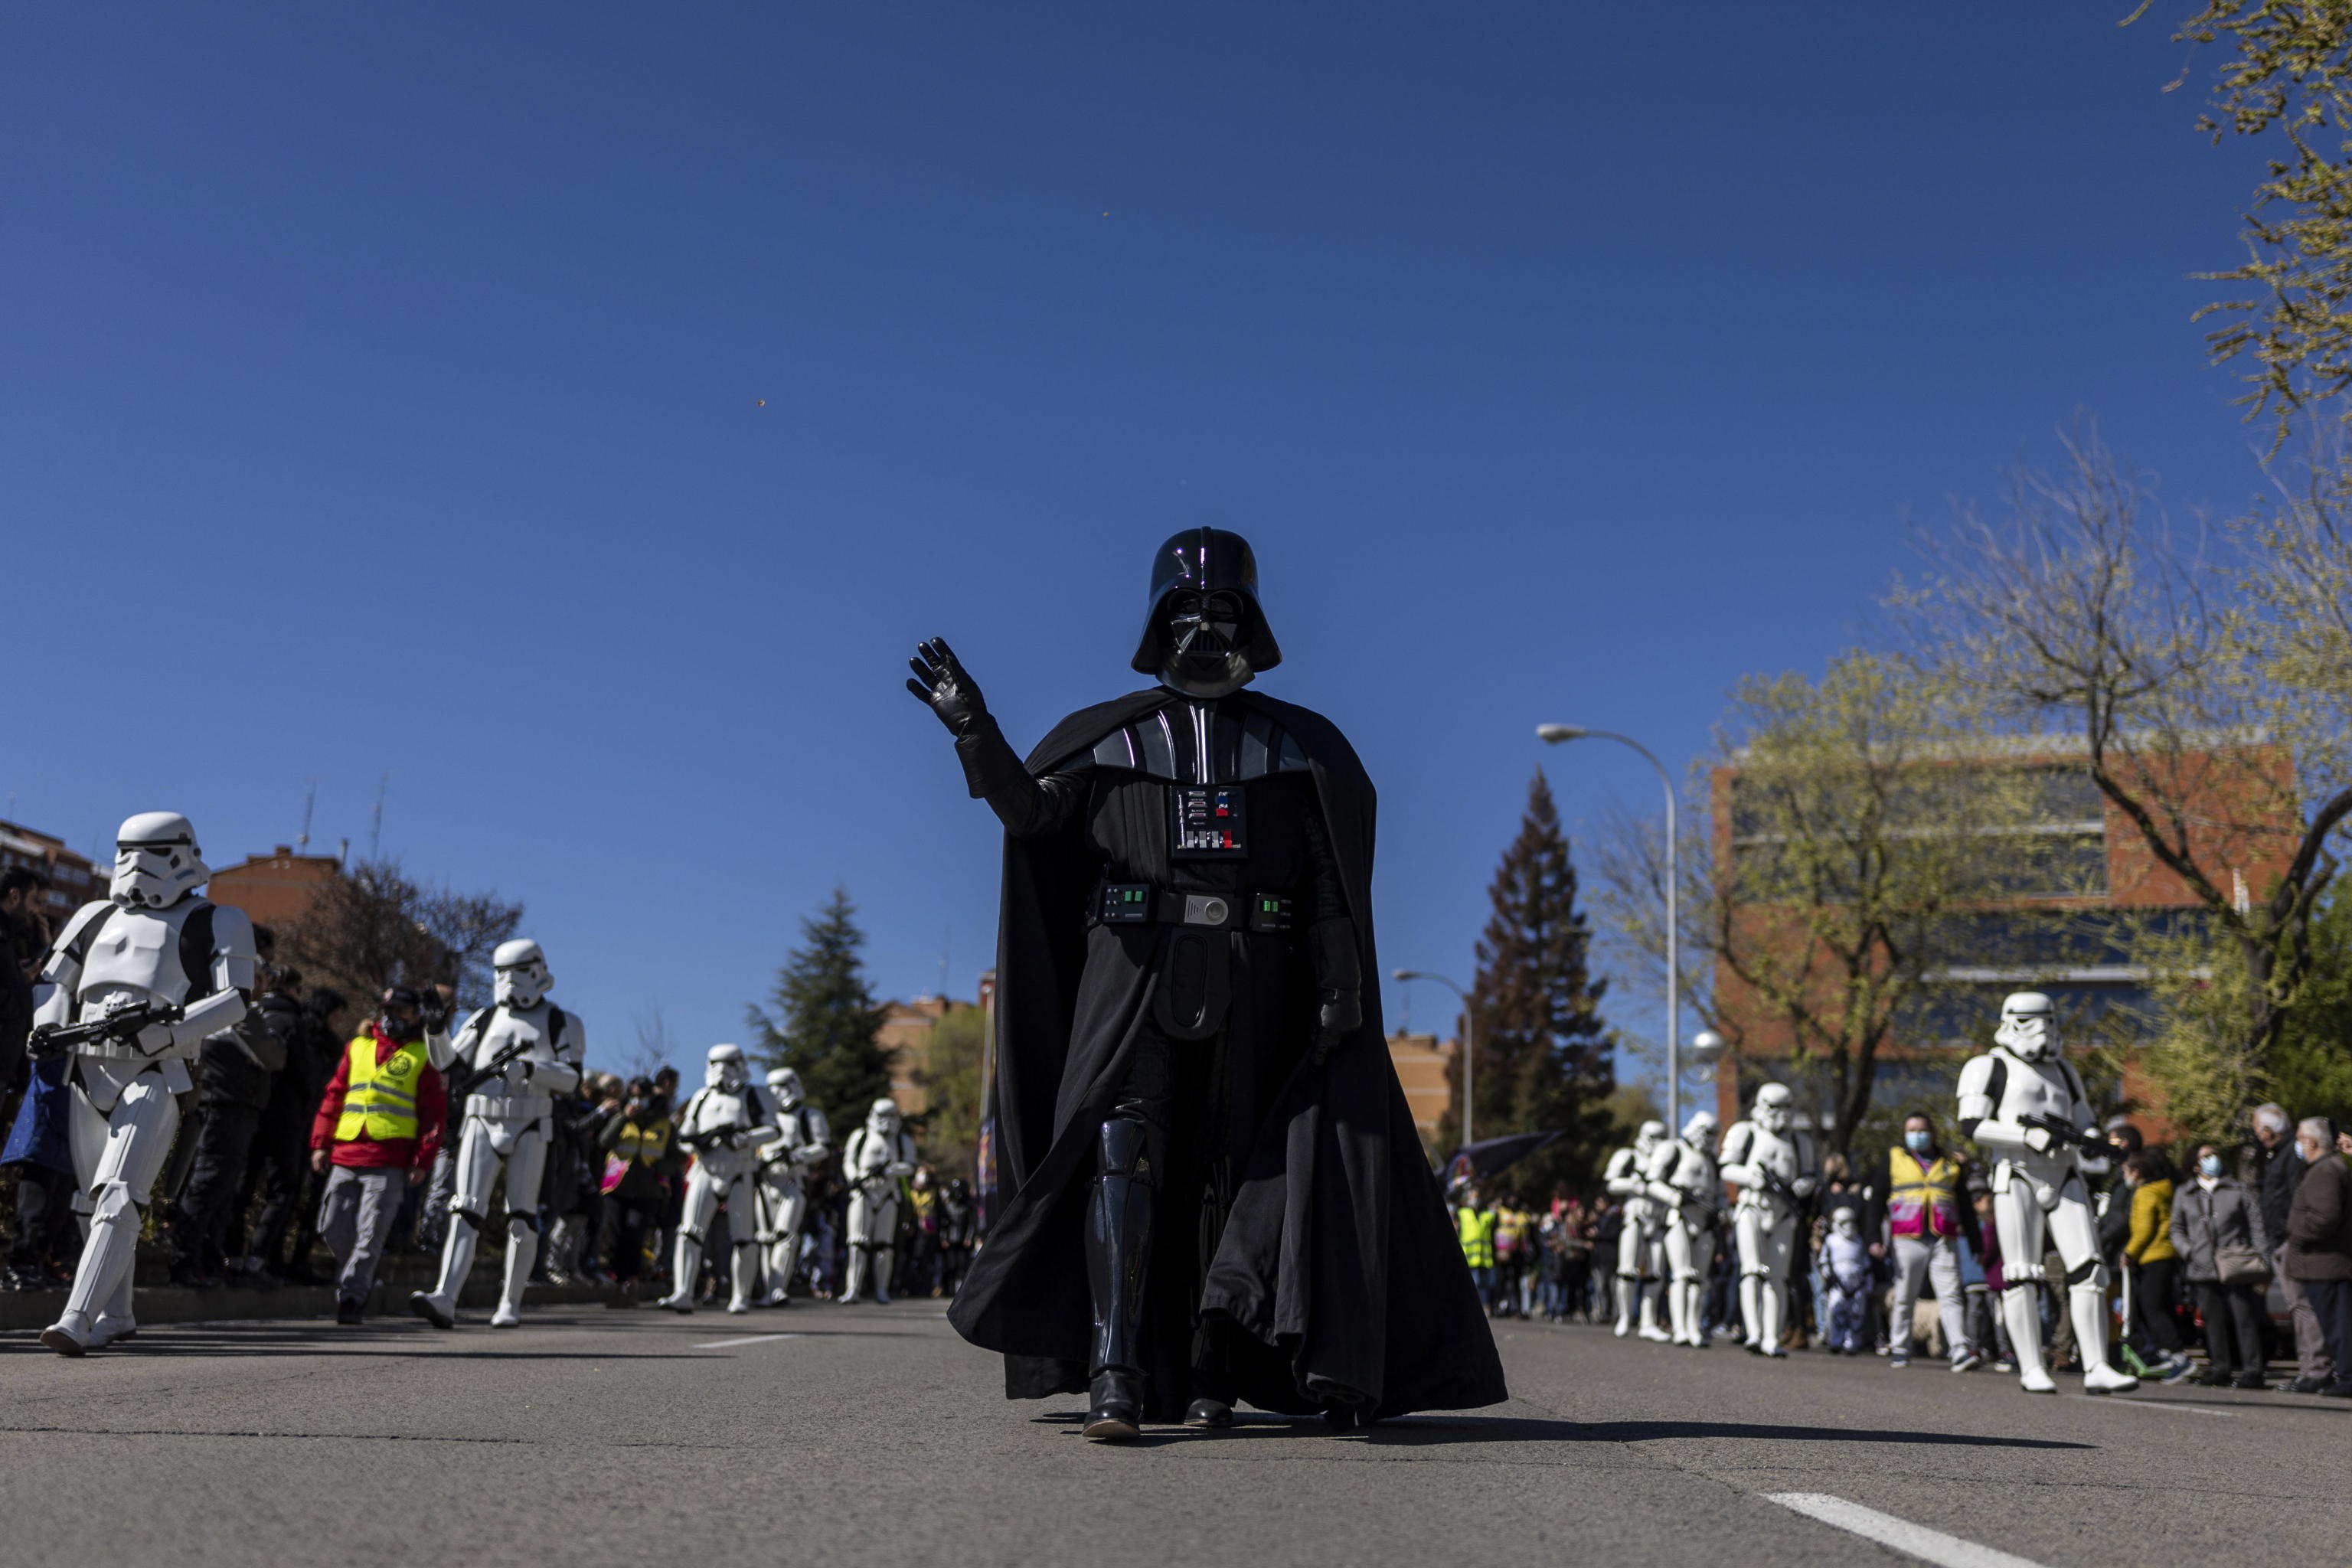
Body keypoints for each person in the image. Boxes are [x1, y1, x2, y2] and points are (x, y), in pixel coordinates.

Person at [910, 529, 1505, 1438]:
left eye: (1222, 610)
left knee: (1234, 1169)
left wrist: (1339, 981)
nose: (1203, 624)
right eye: (1186, 609)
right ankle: (1115, 1367)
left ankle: (1211, 1367)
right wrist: (974, 732)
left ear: (1252, 624)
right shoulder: (1110, 740)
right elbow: (1033, 816)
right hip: (1131, 974)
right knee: (1122, 1150)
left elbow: (1326, 879)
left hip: (1258, 976)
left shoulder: (1296, 748)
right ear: (1158, 622)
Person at [28, 813, 259, 1355]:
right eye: (126, 850)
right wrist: (47, 1028)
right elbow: (53, 982)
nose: (135, 864)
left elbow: (235, 998)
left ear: (181, 855)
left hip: (158, 1069)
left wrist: (170, 1031)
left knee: (118, 1195)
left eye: (150, 852)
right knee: (90, 1204)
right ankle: (118, 1313)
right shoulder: (93, 916)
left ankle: (76, 1318)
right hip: (86, 1068)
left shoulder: (218, 920)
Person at [1954, 991, 2137, 1394]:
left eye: (2047, 1020)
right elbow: (1971, 1124)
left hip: (2065, 1175)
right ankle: (2031, 1366)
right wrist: (2024, 1135)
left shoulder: (2065, 1071)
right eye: (2029, 1021)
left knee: (2090, 1269)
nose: (2041, 1031)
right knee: (2021, 1272)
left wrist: (2094, 1141)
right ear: (2010, 1021)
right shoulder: (1988, 1066)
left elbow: (2085, 1120)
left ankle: (2097, 1366)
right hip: (2016, 1172)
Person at [411, 939, 584, 1330]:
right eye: (501, 972)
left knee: (521, 1216)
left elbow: (573, 1078)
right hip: (481, 1118)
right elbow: (447, 1063)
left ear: (538, 971)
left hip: (531, 1121)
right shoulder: (484, 1017)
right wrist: (435, 1029)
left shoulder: (560, 1022)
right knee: (465, 1208)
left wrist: (533, 1071)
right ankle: (446, 1296)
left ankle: (510, 1301)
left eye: (518, 971)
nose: (508, 980)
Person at [311, 988, 447, 1321]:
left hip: (389, 1161)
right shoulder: (357, 1047)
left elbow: (434, 1115)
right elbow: (334, 1097)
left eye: (401, 1010)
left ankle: (353, 1298)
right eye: (389, 1009)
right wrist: (320, 1144)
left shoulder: (422, 1055)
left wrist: (422, 1161)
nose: (393, 1016)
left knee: (371, 1235)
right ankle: (363, 1277)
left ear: (416, 1015)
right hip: (346, 1154)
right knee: (331, 1227)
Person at [172, 926, 290, 1287]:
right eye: (259, 977)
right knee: (208, 1186)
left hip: (228, 1110)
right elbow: (275, 1057)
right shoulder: (235, 1010)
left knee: (219, 1192)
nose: (264, 985)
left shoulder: (230, 1010)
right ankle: (185, 1262)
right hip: (224, 1109)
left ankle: (204, 1260)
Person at [658, 1044, 779, 1314]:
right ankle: (683, 1292)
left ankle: (740, 1296)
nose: (721, 1070)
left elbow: (772, 1130)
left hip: (740, 1171)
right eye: (715, 1063)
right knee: (689, 1232)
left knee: (743, 1238)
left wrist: (744, 1139)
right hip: (706, 1169)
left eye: (728, 1063)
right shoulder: (702, 1098)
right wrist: (702, 1143)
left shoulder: (754, 1095)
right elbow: (685, 1136)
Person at [1862, 1110, 1981, 1373]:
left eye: (1921, 1130)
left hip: (1942, 1237)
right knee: (1905, 1295)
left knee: (1950, 1294)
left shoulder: (1950, 1163)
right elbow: (1876, 1200)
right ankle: (1900, 1347)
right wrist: (1873, 1238)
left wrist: (1976, 1243)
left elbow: (1965, 1206)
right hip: (1907, 1238)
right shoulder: (1894, 1158)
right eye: (1911, 1130)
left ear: (1933, 1133)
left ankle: (1960, 1349)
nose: (1916, 1135)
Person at [1719, 1083, 1818, 1359]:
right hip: (1752, 1207)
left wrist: (1802, 1186)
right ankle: (1753, 1333)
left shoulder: (1800, 1142)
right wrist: (1750, 1177)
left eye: (1786, 1107)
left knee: (1778, 1277)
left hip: (1784, 1214)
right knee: (1751, 1271)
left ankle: (1772, 1337)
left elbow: (1810, 1175)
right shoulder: (1744, 1132)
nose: (1781, 1114)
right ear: (1761, 1106)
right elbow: (1726, 1167)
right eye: (1775, 1107)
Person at [2170, 1142, 2270, 1388]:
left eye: (2215, 1154)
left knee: (2244, 1318)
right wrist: (2188, 1251)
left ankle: (2252, 1370)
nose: (2212, 1159)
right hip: (2201, 1265)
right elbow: (2176, 1228)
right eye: (2206, 1156)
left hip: (2236, 1264)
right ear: (2194, 1164)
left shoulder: (2237, 1189)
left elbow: (2256, 1225)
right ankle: (2220, 1367)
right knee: (2212, 1321)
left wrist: (2262, 1257)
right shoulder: (2185, 1192)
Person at [2252, 1103, 2334, 1393]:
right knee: (2297, 1307)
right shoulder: (2279, 1155)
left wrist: (2289, 1237)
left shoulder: (2289, 1157)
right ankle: (2309, 1368)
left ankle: (2316, 1369)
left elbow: (2294, 1200)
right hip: (2282, 1240)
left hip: (2290, 1241)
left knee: (2302, 1307)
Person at [2284, 1116, 2352, 1398]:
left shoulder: (2325, 1171)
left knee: (2338, 1325)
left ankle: (2348, 1377)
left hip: (2327, 1263)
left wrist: (2295, 1230)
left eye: (2299, 1138)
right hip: (2322, 1263)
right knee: (2334, 1324)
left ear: (2311, 1142)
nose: (2297, 1144)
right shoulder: (2324, 1169)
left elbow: (2325, 1217)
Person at [752, 1066, 829, 1305]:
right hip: (765, 1181)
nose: (777, 1092)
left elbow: (822, 1147)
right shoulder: (762, 1115)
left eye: (783, 1086)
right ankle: (769, 1289)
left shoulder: (809, 1116)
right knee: (765, 1237)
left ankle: (778, 1288)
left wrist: (798, 1155)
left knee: (785, 1235)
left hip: (792, 1179)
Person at [1645, 1110, 1721, 1348]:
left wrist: (1720, 1212)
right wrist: (1675, 1197)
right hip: (1679, 1216)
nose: (1708, 1138)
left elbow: (1718, 1192)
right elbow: (1652, 1181)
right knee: (1681, 1274)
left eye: (1713, 1134)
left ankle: (1694, 1326)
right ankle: (1680, 1327)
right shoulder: (1674, 1149)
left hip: (1705, 1223)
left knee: (1699, 1279)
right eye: (1705, 1132)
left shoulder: (1711, 1160)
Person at [596, 1075, 672, 1306]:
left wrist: (659, 1167)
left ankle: (631, 1286)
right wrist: (622, 1118)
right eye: (634, 1096)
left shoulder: (662, 1123)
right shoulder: (620, 1118)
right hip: (617, 1187)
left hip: (647, 1190)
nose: (638, 1101)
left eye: (643, 1096)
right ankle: (619, 1285)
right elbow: (604, 1142)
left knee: (635, 1236)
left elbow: (674, 1156)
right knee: (615, 1236)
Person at [2119, 1150, 2192, 1381]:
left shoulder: (2146, 1193)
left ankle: (2178, 1356)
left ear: (2137, 1173)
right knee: (2163, 1305)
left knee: (2152, 1308)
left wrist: (2129, 1253)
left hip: (2152, 1255)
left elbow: (2143, 1229)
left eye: (2126, 1173)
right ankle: (2166, 1354)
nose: (2125, 1177)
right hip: (2165, 1255)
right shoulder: (2164, 1190)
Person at [840, 1097, 916, 1304]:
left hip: (888, 1194)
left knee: (884, 1246)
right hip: (863, 1193)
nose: (885, 1121)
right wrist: (854, 1177)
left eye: (890, 1116)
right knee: (857, 1242)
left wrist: (891, 1170)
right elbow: (849, 1161)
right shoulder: (861, 1136)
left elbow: (910, 1165)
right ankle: (853, 1288)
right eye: (881, 1116)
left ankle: (882, 1289)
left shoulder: (902, 1140)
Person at [1604, 1120, 1669, 1341]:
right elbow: (1611, 1183)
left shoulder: (1666, 1160)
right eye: (1652, 1138)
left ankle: (1648, 1321)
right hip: (1635, 1217)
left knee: (1655, 1273)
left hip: (1659, 1220)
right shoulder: (1629, 1156)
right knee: (1627, 1270)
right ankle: (1624, 1316)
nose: (1656, 1143)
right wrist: (1632, 1184)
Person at [1821, 1207, 1871, 1353]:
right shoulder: (1831, 1241)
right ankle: (1836, 1341)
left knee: (1856, 1314)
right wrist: (1829, 1277)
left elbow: (1866, 1264)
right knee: (1837, 1312)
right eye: (1845, 1223)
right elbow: (1824, 1261)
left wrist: (1867, 1284)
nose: (1849, 1226)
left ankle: (1852, 1343)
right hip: (1838, 1283)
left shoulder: (1859, 1241)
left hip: (1857, 1283)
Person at [1457, 1185, 1499, 1312]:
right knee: (1475, 1283)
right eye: (1472, 1195)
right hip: (1468, 1256)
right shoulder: (1462, 1213)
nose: (1474, 1198)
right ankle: (1474, 1308)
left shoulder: (1487, 1214)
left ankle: (1484, 1306)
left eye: (1476, 1195)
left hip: (1484, 1257)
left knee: (1486, 1284)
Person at [938, 1175, 976, 1296]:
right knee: (950, 1266)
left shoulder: (967, 1207)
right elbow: (944, 1224)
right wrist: (943, 1238)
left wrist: (968, 1238)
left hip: (962, 1241)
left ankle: (960, 1290)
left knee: (962, 1265)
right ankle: (948, 1289)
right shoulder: (948, 1207)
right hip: (951, 1240)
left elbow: (971, 1224)